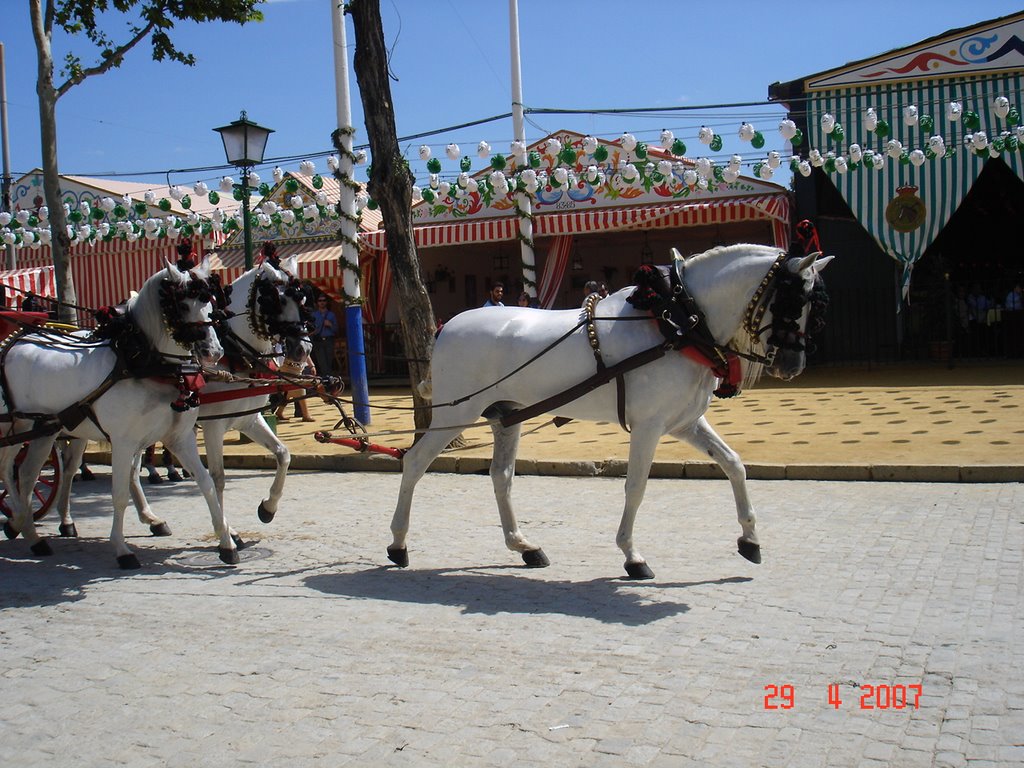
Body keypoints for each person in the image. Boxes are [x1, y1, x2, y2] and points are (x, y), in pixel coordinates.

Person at [310, 295, 338, 376]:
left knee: (329, 361)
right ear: (317, 302)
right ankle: (326, 380)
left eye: (324, 300)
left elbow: (336, 329)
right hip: (318, 340)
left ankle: (328, 379)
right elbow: (310, 328)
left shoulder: (331, 315)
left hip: (329, 340)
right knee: (321, 362)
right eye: (320, 300)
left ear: (326, 302)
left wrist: (330, 325)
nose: (322, 302)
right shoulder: (314, 315)